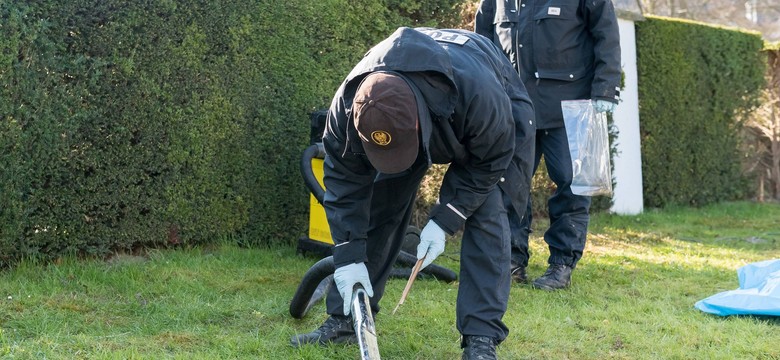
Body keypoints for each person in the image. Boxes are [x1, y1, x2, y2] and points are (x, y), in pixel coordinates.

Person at [289, 27, 535, 359]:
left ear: (419, 123)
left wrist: (447, 219)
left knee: (486, 211)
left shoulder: (479, 95)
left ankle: (481, 338)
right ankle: (348, 320)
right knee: (381, 201)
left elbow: (489, 163)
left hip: (483, 91)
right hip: (416, 105)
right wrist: (347, 256)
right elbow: (345, 187)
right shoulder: (346, 111)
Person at [475, 0, 622, 290]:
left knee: (572, 185)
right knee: (509, 186)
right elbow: (482, 43)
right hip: (514, 107)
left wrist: (605, 87)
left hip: (571, 105)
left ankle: (562, 265)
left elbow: (606, 34)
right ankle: (511, 261)